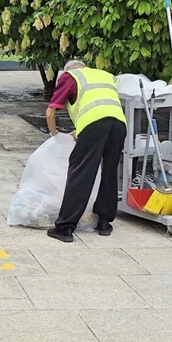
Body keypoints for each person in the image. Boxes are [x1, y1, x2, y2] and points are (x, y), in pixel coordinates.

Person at [44, 60, 127, 243]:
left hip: (95, 125)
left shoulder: (69, 77)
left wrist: (54, 135)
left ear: (69, 71)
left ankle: (65, 227)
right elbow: (100, 107)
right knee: (109, 171)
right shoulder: (104, 75)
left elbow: (50, 112)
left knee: (80, 173)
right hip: (119, 124)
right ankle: (104, 222)